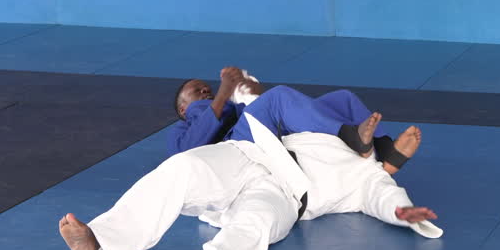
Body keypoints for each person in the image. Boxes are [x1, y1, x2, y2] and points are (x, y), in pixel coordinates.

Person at [58, 114, 438, 250]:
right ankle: (103, 240)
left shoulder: (369, 177)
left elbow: (385, 198)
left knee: (260, 222)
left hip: (287, 193)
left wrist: (407, 214)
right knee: (184, 167)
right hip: (252, 156)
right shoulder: (329, 136)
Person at [168, 67, 413, 173]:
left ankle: (380, 149)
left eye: (205, 88)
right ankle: (349, 136)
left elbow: (264, 111)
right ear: (182, 108)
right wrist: (222, 93)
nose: (204, 91)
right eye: (196, 90)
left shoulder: (228, 106)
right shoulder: (183, 127)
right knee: (279, 96)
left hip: (256, 131)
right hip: (233, 147)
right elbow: (192, 149)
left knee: (343, 99)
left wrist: (253, 90)